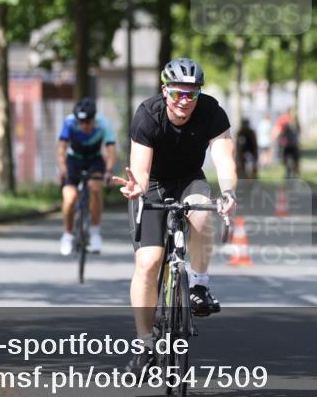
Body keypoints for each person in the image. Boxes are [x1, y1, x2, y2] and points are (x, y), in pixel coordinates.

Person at [112, 58, 237, 373]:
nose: (184, 101)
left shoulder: (212, 113)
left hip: (189, 179)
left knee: (202, 215)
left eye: (191, 94)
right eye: (178, 93)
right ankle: (144, 345)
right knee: (148, 263)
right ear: (164, 91)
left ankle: (198, 285)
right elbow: (139, 171)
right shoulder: (147, 115)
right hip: (150, 184)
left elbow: (224, 160)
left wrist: (229, 194)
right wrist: (135, 188)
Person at [57, 97, 116, 255]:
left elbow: (110, 151)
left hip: (94, 160)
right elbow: (61, 148)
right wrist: (63, 169)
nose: (84, 126)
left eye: (88, 122)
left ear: (94, 118)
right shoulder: (69, 123)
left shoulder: (103, 124)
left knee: (95, 188)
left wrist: (109, 172)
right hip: (74, 159)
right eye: (81, 122)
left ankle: (95, 233)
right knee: (69, 198)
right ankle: (67, 235)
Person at [275, 108, 301, 178]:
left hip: (293, 146)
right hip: (288, 146)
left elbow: (298, 133)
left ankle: (295, 174)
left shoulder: (296, 123)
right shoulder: (286, 123)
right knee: (287, 162)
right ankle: (290, 174)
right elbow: (281, 132)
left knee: (295, 162)